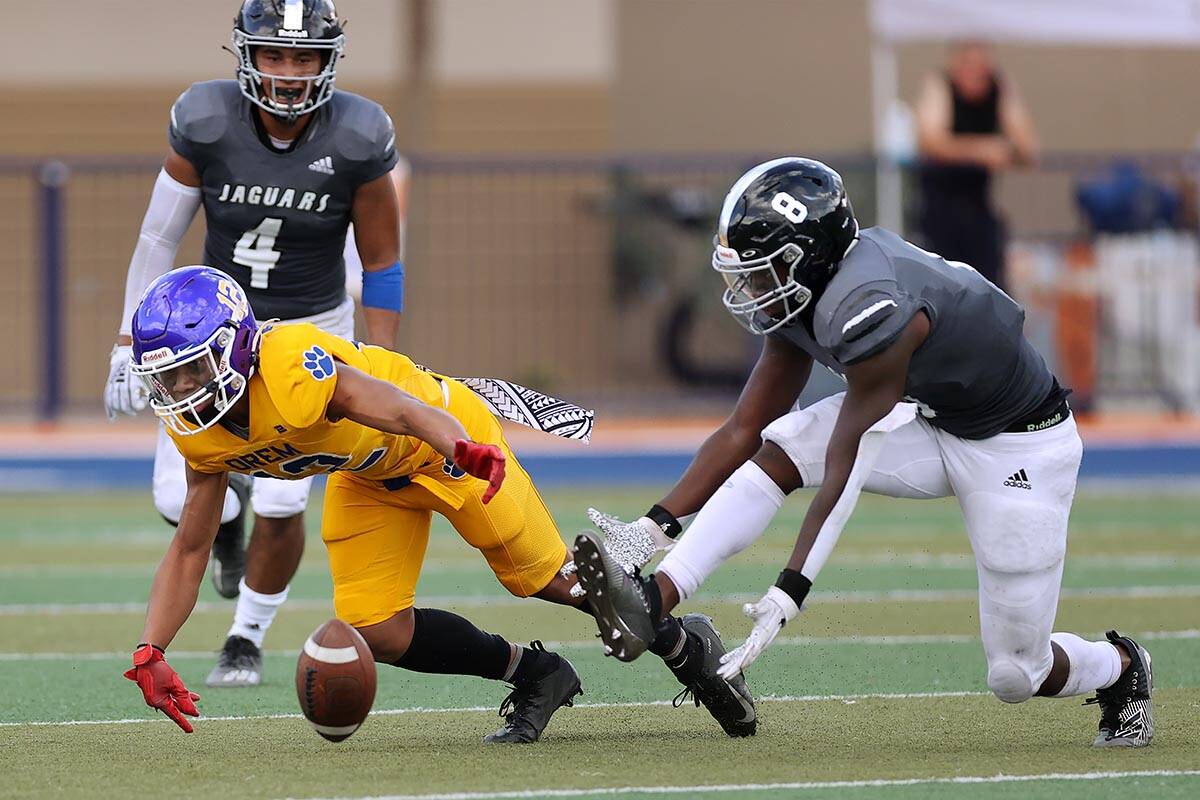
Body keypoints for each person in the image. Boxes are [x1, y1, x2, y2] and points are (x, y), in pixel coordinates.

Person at [575, 157, 1154, 749]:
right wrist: (650, 530)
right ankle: (656, 597)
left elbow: (846, 467)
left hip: (1020, 446)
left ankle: (1121, 668)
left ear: (807, 258)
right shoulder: (809, 296)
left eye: (761, 271)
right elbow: (744, 427)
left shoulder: (871, 306)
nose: (749, 290)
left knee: (1016, 673)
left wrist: (789, 590)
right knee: (783, 447)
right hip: (934, 418)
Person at [122, 266, 757, 740]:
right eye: (167, 377)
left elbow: (396, 407)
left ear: (236, 346)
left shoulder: (287, 365)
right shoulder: (197, 429)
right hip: (370, 478)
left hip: (444, 445)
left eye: (193, 370)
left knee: (553, 582)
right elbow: (190, 546)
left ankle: (687, 647)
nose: (182, 391)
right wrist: (152, 649)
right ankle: (535, 673)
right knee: (377, 629)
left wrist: (461, 445)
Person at [102, 0, 407, 688]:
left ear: (328, 61)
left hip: (310, 327)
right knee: (180, 500)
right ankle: (224, 531)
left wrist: (384, 361)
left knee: (283, 500)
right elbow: (157, 238)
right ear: (246, 54)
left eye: (303, 57)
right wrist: (127, 339)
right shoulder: (205, 121)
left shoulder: (358, 136)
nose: (289, 72)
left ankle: (246, 633)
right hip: (204, 334)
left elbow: (383, 264)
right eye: (275, 54)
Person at [914, 40, 1038, 291]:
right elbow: (929, 141)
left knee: (991, 286)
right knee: (943, 286)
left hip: (979, 209)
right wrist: (980, 150)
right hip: (939, 209)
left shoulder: (998, 88)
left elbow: (1028, 150)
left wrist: (1006, 100)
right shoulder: (940, 86)